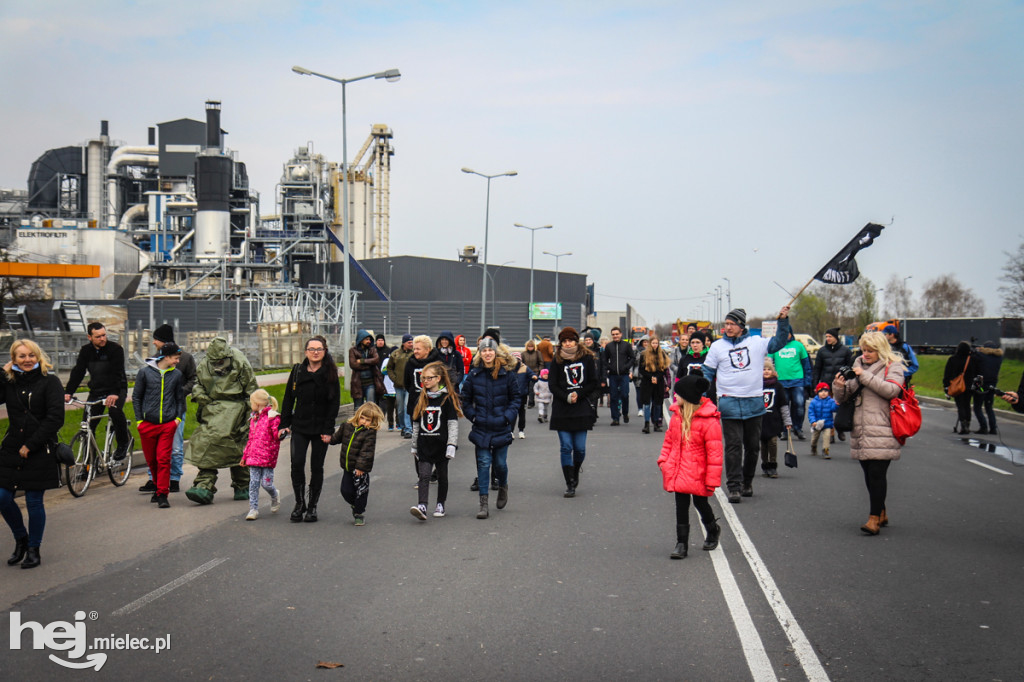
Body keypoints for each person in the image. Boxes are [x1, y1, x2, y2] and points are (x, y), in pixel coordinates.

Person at [702, 306, 791, 503]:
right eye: (726, 324)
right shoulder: (717, 347)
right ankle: (733, 486)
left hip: (754, 402)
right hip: (729, 402)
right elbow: (707, 371)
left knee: (752, 447)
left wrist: (783, 322)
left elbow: (779, 342)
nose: (728, 327)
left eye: (732, 324)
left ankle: (747, 481)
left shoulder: (756, 342)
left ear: (741, 326)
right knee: (733, 446)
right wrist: (699, 392)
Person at [833, 331, 905, 535]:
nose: (865, 354)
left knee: (877, 473)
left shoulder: (893, 366)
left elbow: (891, 390)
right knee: (867, 472)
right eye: (864, 350)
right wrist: (838, 387)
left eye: (870, 351)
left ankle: (873, 519)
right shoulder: (857, 364)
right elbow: (844, 396)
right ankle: (881, 511)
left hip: (884, 426)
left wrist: (864, 375)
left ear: (880, 350)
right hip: (860, 427)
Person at [0, 340, 64, 569]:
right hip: (11, 449)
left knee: (34, 501)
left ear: (38, 357)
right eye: (21, 356)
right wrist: (2, 373)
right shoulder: (10, 383)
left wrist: (31, 444)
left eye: (31, 355)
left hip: (39, 448)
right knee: (2, 497)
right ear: (13, 360)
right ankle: (21, 538)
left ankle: (34, 549)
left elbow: (56, 418)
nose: (27, 360)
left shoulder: (51, 382)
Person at [185, 337, 258, 506]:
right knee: (207, 443)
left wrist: (252, 411)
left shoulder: (239, 360)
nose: (218, 364)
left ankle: (242, 485)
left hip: (237, 408)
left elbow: (251, 388)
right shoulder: (205, 364)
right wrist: (203, 399)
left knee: (237, 445)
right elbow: (198, 384)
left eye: (221, 361)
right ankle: (204, 484)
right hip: (213, 408)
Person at [658, 374, 723, 559]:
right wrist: (663, 461)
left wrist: (712, 479)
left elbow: (715, 454)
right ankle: (681, 543)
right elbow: (669, 441)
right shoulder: (677, 417)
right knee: (681, 504)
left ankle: (712, 528)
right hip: (679, 469)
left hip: (698, 471)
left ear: (687, 397)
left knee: (700, 502)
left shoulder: (709, 422)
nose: (674, 397)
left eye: (678, 394)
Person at [280, 335, 341, 523]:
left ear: (324, 352)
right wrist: (284, 424)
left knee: (317, 467)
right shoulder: (298, 371)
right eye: (312, 349)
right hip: (300, 426)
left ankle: (312, 506)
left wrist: (328, 430)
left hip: (321, 428)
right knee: (296, 464)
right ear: (306, 352)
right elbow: (288, 399)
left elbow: (334, 403)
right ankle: (299, 503)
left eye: (319, 349)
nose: (315, 352)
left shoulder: (330, 373)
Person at [460, 337, 521, 519]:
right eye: (484, 350)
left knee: (500, 464)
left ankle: (503, 486)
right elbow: (465, 399)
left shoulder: (507, 374)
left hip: (501, 425)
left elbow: (516, 399)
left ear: (496, 352)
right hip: (482, 427)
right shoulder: (474, 375)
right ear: (480, 353)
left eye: (490, 350)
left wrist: (507, 417)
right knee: (484, 463)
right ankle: (483, 504)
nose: (487, 353)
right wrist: (473, 416)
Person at [139, 324, 197, 494]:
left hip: (177, 409)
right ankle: (154, 478)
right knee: (156, 447)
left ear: (161, 341)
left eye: (155, 339)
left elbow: (193, 379)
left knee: (176, 446)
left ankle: (174, 478)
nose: (153, 343)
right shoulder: (154, 360)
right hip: (156, 411)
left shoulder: (185, 358)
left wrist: (180, 392)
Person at [64, 322, 131, 460]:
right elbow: (78, 372)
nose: (102, 339)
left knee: (114, 410)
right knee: (87, 425)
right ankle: (89, 462)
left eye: (104, 335)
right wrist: (68, 392)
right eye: (98, 336)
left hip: (116, 388)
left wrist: (114, 393)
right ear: (90, 337)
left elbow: (117, 373)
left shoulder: (115, 349)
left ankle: (123, 443)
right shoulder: (86, 351)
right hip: (97, 390)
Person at [548, 327, 601, 498]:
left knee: (579, 449)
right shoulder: (556, 360)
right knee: (566, 447)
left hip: (581, 408)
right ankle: (569, 483)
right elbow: (552, 385)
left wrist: (579, 394)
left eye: (570, 340)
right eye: (564, 341)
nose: (568, 343)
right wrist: (566, 396)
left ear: (576, 341)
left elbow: (593, 382)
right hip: (562, 409)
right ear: (561, 343)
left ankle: (575, 471)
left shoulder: (586, 358)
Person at [132, 341, 185, 509]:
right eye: (175, 358)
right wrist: (140, 420)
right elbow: (136, 397)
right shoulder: (145, 373)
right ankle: (157, 486)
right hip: (147, 424)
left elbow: (179, 399)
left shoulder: (176, 375)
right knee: (152, 461)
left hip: (167, 425)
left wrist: (176, 420)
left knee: (163, 459)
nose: (177, 361)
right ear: (166, 357)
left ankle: (163, 494)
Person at [409, 362, 462, 521]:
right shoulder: (421, 398)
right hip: (424, 445)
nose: (425, 381)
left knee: (442, 476)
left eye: (429, 378)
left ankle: (440, 503)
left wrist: (451, 444)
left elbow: (452, 423)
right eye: (423, 378)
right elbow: (416, 423)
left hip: (441, 445)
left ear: (438, 378)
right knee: (424, 476)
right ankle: (422, 506)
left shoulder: (447, 399)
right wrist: (414, 445)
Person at [330, 402, 384, 527]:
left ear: (373, 421)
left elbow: (367, 451)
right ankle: (355, 505)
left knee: (361, 492)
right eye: (362, 418)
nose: (364, 422)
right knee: (345, 491)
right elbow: (337, 438)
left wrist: (361, 467)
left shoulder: (369, 433)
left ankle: (359, 513)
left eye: (368, 420)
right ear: (358, 416)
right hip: (347, 467)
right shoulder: (346, 426)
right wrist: (329, 439)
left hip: (360, 470)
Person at [240, 389, 282, 521]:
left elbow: (276, 435)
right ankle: (253, 509)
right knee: (253, 483)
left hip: (267, 456)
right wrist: (245, 456)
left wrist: (282, 432)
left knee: (266, 484)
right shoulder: (253, 418)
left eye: (252, 402)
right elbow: (250, 438)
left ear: (257, 403)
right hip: (253, 457)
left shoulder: (272, 417)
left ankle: (275, 495)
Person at [811, 327, 853, 441]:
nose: (828, 339)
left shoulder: (845, 351)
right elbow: (817, 369)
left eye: (830, 336)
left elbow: (851, 367)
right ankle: (830, 433)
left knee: (840, 408)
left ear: (835, 337)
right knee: (827, 409)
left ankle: (840, 429)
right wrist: (815, 384)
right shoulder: (822, 351)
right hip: (826, 384)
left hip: (841, 385)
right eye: (826, 337)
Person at [770, 330, 813, 440]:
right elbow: (768, 362)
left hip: (797, 380)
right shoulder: (775, 345)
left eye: (787, 332)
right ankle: (785, 430)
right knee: (783, 407)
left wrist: (808, 381)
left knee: (799, 405)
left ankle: (798, 428)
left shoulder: (798, 345)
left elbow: (806, 364)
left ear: (791, 333)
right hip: (781, 381)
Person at [760, 358, 791, 478]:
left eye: (769, 369)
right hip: (761, 420)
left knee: (772, 442)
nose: (766, 371)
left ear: (773, 372)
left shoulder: (778, 386)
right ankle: (765, 464)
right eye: (764, 369)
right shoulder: (757, 385)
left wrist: (787, 421)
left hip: (774, 420)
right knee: (763, 444)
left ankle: (773, 465)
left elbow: (783, 405)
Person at [943, 341, 981, 435]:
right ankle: (967, 424)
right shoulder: (972, 359)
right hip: (970, 386)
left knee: (960, 405)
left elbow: (947, 374)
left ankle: (963, 424)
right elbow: (978, 373)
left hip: (957, 386)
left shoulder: (953, 359)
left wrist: (946, 386)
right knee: (967, 405)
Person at [637, 333, 671, 434]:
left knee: (657, 404)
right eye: (653, 343)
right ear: (649, 344)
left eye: (656, 343)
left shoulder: (662, 354)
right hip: (647, 382)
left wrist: (657, 377)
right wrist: (651, 377)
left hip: (659, 382)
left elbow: (664, 369)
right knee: (647, 404)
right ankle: (647, 424)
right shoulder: (644, 354)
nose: (655, 345)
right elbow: (641, 369)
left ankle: (656, 422)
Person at [604, 327, 635, 426]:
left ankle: (625, 413)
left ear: (621, 334)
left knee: (625, 395)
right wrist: (610, 367)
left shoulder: (626, 345)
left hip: (624, 375)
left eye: (617, 334)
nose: (615, 336)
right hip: (613, 375)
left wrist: (626, 367)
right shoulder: (609, 346)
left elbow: (632, 358)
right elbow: (604, 360)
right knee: (613, 397)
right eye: (613, 334)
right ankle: (615, 418)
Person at [972, 341, 1003, 435]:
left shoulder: (981, 356)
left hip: (981, 385)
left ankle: (983, 427)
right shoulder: (999, 357)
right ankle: (993, 428)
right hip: (992, 385)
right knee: (989, 406)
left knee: (977, 406)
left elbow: (975, 357)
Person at [388, 334, 416, 438]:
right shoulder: (395, 354)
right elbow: (389, 368)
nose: (411, 344)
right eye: (409, 342)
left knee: (406, 406)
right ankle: (403, 427)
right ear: (403, 343)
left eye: (412, 342)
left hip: (409, 386)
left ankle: (408, 429)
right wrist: (394, 379)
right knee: (400, 409)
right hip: (398, 386)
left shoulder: (414, 354)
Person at [348, 329, 384, 409]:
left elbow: (376, 359)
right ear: (361, 340)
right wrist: (369, 364)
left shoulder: (372, 349)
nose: (369, 341)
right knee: (358, 407)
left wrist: (362, 361)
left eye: (369, 339)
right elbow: (353, 364)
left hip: (370, 383)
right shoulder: (353, 350)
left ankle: (370, 421)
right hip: (358, 383)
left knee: (370, 406)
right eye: (366, 339)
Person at [807, 382, 838, 459]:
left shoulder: (831, 401)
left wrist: (837, 404)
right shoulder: (814, 402)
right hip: (817, 424)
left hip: (827, 423)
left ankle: (825, 450)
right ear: (817, 392)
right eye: (821, 391)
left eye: (826, 391)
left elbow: (834, 409)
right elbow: (811, 413)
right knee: (815, 438)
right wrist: (813, 421)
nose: (823, 393)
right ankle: (813, 446)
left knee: (827, 437)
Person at [582, 331, 606, 420]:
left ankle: (593, 413)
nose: (588, 341)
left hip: (596, 377)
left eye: (589, 340)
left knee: (595, 397)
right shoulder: (582, 351)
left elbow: (603, 365)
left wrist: (603, 379)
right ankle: (589, 413)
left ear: (593, 340)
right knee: (587, 397)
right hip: (585, 378)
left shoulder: (599, 350)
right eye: (586, 340)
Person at [522, 339, 544, 408]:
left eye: (531, 346)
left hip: (535, 372)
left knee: (532, 388)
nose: (530, 348)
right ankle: (524, 402)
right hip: (525, 373)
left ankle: (531, 403)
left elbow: (541, 362)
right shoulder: (523, 354)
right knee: (524, 388)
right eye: (529, 346)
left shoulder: (537, 353)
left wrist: (539, 371)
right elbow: (521, 363)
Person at [633, 336, 649, 417]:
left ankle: (647, 408)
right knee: (639, 392)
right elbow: (633, 361)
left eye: (647, 342)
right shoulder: (636, 351)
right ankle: (640, 409)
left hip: (648, 375)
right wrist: (631, 372)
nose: (646, 344)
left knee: (647, 393)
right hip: (638, 374)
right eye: (644, 342)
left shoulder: (652, 351)